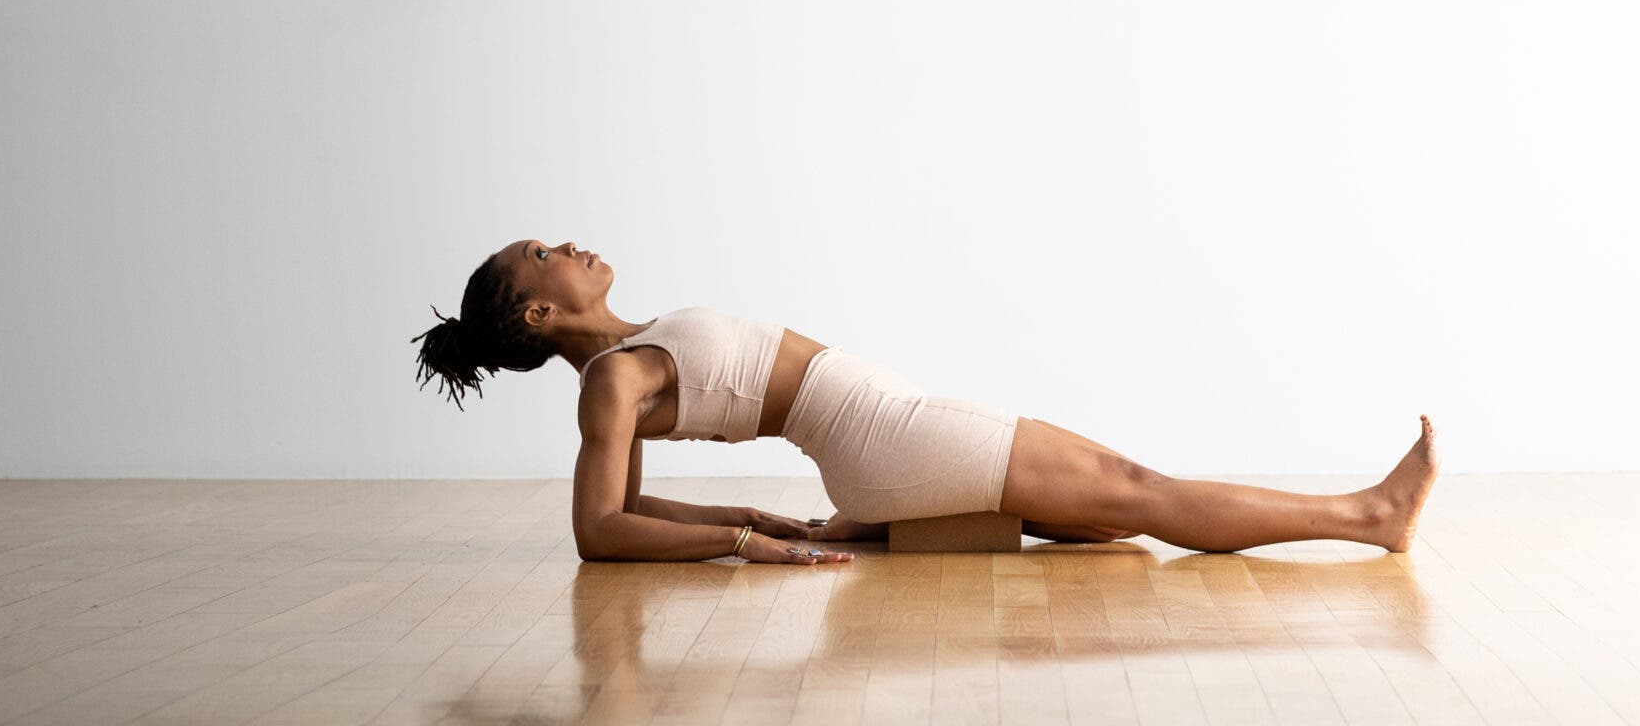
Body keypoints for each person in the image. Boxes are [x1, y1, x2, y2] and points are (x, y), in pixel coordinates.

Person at [411, 239, 1439, 565]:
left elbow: (626, 511)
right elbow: (600, 528)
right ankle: (1367, 517)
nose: (570, 245)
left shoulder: (628, 357)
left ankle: (1361, 520)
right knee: (1139, 488)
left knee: (1113, 518)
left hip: (883, 443)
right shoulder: (612, 380)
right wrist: (737, 541)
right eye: (545, 254)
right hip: (889, 440)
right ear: (540, 310)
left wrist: (748, 516)